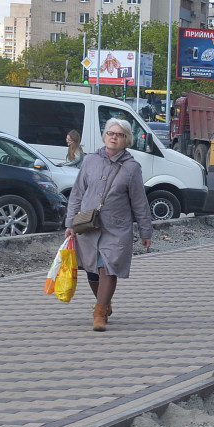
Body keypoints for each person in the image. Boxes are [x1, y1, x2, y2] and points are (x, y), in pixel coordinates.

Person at [63, 118, 153, 331]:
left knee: (108, 267)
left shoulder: (131, 168)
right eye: (110, 133)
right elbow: (77, 193)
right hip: (88, 225)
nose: (114, 137)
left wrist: (145, 231)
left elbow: (140, 202)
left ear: (126, 140)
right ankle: (105, 302)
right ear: (105, 136)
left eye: (119, 135)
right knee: (92, 270)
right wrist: (70, 223)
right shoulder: (90, 161)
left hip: (117, 228)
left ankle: (99, 312)